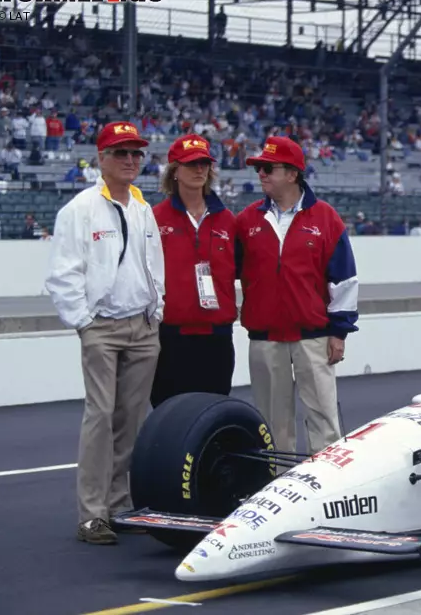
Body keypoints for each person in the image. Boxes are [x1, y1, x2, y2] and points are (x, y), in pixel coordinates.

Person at [45, 121, 164, 545]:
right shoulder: (79, 209)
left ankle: (119, 503)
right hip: (103, 327)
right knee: (100, 417)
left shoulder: (142, 207)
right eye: (121, 153)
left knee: (130, 420)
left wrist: (157, 309)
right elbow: (62, 274)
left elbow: (154, 264)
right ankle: (92, 513)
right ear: (101, 159)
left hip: (143, 325)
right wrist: (83, 321)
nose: (131, 161)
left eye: (136, 154)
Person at [235, 135, 359, 455]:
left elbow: (344, 280)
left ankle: (328, 489)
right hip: (265, 338)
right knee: (272, 424)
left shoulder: (326, 218)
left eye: (267, 168)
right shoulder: (247, 220)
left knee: (323, 420)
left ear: (292, 174)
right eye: (259, 168)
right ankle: (278, 490)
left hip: (314, 337)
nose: (260, 173)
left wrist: (339, 332)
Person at [150, 134, 237, 408]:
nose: (199, 169)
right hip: (171, 336)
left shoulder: (228, 220)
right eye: (191, 164)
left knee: (213, 414)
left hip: (217, 337)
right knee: (169, 415)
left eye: (204, 163)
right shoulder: (155, 218)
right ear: (174, 171)